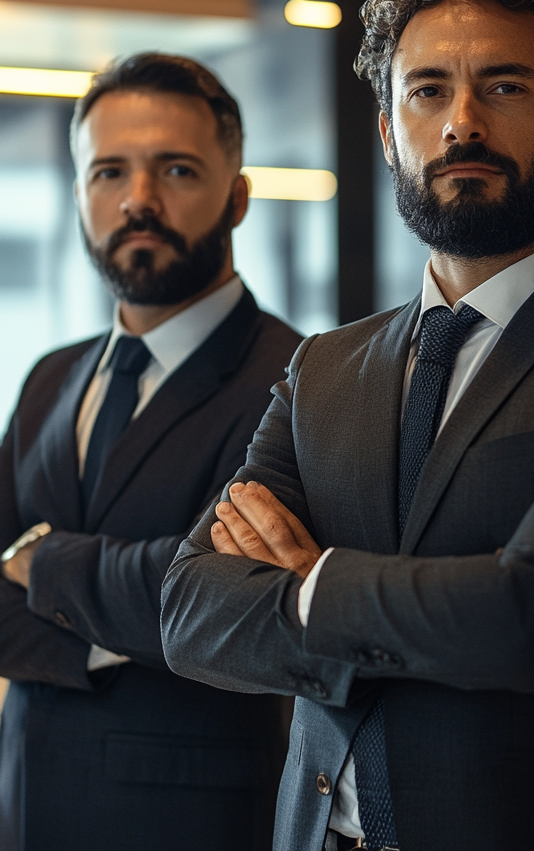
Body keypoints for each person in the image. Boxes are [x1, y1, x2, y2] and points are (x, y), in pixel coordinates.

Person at [160, 0, 534, 851]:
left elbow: (528, 619)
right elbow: (191, 612)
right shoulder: (324, 367)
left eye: (503, 87)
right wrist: (430, 608)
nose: (462, 123)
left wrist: (309, 585)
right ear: (388, 130)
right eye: (427, 91)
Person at [0, 53, 302, 851]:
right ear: (78, 197)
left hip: (195, 820)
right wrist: (128, 631)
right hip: (28, 808)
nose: (138, 201)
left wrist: (43, 567)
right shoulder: (49, 379)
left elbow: (232, 604)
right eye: (108, 173)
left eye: (175, 169)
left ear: (237, 196)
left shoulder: (302, 381)